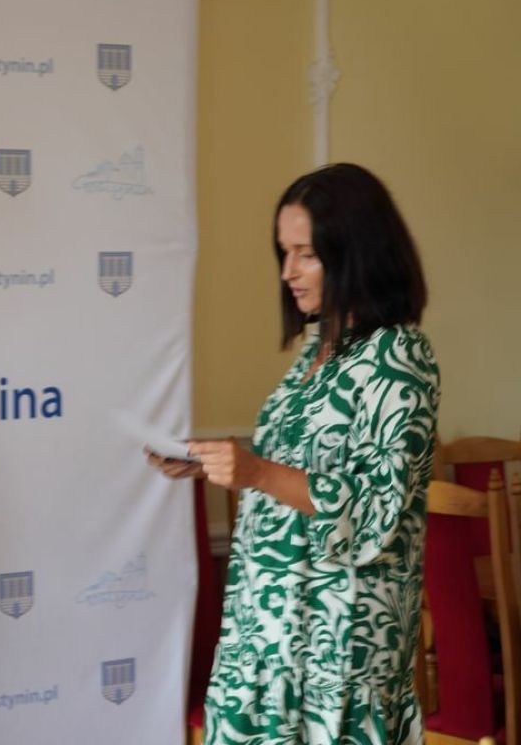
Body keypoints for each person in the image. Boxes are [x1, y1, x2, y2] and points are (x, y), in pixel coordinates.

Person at [150, 163, 439, 743]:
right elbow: (302, 462)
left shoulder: (399, 356)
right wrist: (219, 460)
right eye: (284, 253)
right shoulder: (318, 349)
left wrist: (256, 472)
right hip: (269, 626)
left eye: (306, 254)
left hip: (339, 643)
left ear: (355, 252)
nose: (287, 272)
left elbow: (376, 510)